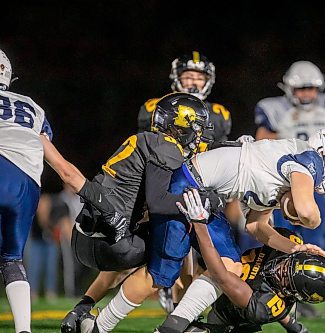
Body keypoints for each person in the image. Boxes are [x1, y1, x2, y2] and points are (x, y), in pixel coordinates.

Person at [80, 128, 325, 333]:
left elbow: (256, 226)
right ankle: (99, 327)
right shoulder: (309, 160)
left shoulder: (282, 177)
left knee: (229, 266)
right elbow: (310, 213)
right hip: (186, 186)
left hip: (203, 195)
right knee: (162, 273)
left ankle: (174, 326)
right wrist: (310, 222)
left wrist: (295, 248)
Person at [60, 92, 221, 333]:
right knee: (175, 243)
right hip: (113, 246)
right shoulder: (166, 148)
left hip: (84, 236)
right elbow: (159, 202)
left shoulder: (142, 141)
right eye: (195, 128)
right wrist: (203, 200)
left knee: (155, 238)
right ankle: (173, 318)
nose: (198, 135)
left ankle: (81, 308)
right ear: (178, 127)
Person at [0, 48, 125, 333]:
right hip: (25, 185)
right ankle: (23, 330)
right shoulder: (31, 108)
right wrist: (104, 205)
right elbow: (63, 168)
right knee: (11, 259)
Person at [154, 188, 325, 333]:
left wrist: (199, 224)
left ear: (292, 294)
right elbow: (260, 226)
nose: (280, 267)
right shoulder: (289, 246)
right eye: (288, 264)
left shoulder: (266, 304)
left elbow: (222, 276)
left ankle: (177, 312)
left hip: (228, 314)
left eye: (286, 277)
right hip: (235, 271)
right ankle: (176, 300)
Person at [137, 50, 234, 312]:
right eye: (188, 76)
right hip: (169, 183)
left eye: (198, 77)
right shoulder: (156, 106)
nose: (193, 82)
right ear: (176, 78)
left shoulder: (219, 113)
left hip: (203, 185)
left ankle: (187, 304)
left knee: (205, 251)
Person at [253, 60, 325, 317]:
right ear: (290, 88)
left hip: (317, 186)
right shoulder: (274, 109)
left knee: (316, 238)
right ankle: (276, 291)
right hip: (285, 184)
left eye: (311, 89)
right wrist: (284, 133)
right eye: (301, 88)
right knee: (282, 236)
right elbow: (262, 141)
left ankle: (306, 291)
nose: (306, 94)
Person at [27, 192, 70, 300]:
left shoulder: (58, 206)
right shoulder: (33, 204)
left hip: (51, 241)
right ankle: (33, 292)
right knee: (34, 267)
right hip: (36, 240)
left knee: (51, 268)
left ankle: (50, 292)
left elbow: (62, 223)